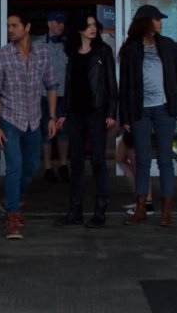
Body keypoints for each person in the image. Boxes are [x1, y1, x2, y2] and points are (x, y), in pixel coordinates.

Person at [0, 11, 58, 240]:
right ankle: (13, 219)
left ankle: (13, 199)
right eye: (8, 26)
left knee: (30, 168)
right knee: (15, 167)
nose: (10, 30)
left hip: (33, 120)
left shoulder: (43, 54)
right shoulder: (1, 57)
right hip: (9, 120)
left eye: (14, 25)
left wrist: (52, 117)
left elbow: (51, 86)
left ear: (27, 27)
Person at [119, 4, 177, 226]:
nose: (161, 23)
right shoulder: (131, 48)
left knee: (166, 159)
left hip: (164, 109)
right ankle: (141, 209)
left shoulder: (167, 45)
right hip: (140, 111)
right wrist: (125, 117)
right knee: (142, 160)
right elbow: (125, 85)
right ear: (146, 22)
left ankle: (167, 212)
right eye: (157, 19)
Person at [54, 14, 117, 228]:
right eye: (88, 25)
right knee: (77, 162)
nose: (92, 29)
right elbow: (69, 85)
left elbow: (111, 83)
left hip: (97, 112)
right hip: (76, 113)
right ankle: (75, 212)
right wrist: (64, 112)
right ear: (79, 29)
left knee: (98, 161)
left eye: (94, 25)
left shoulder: (103, 51)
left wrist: (111, 112)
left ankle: (100, 212)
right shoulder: (72, 52)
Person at [36, 10, 70, 183]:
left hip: (64, 94)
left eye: (62, 22)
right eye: (57, 22)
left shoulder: (68, 45)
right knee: (46, 131)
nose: (61, 25)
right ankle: (48, 167)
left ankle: (63, 165)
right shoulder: (37, 46)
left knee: (64, 131)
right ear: (49, 23)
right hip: (44, 95)